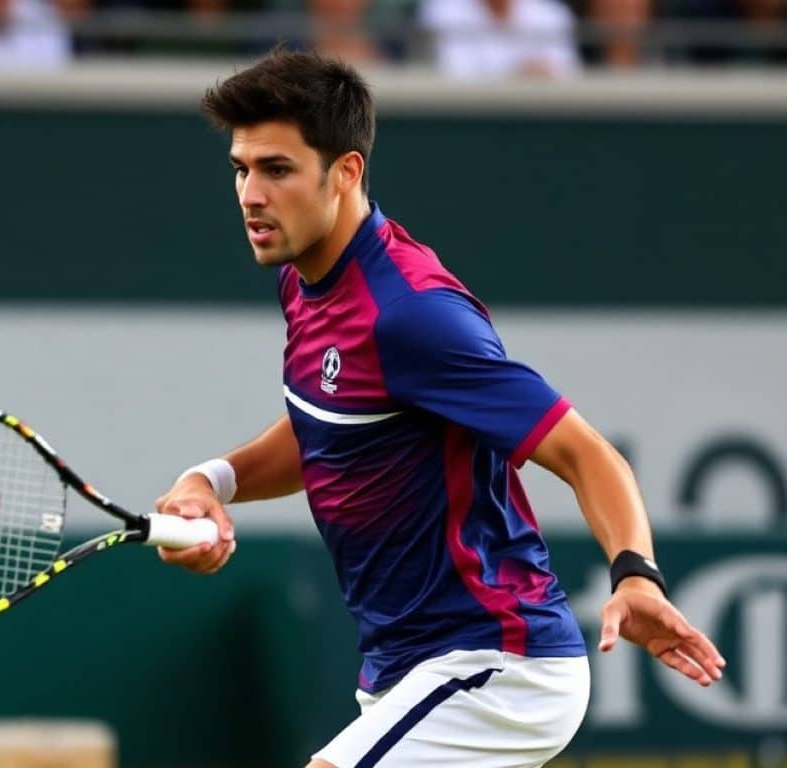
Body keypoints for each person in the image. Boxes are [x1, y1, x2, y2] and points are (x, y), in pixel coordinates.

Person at [154, 48, 725, 768]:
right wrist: (214, 480)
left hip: (497, 666)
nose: (250, 194)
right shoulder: (306, 282)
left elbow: (587, 454)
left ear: (346, 172)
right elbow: (328, 427)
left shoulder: (412, 316)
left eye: (276, 169)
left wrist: (636, 574)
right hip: (404, 672)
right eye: (241, 169)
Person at [418, 0, 580, 79]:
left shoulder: (552, 14)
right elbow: (452, 74)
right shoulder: (441, 9)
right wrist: (518, 73)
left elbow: (567, 75)